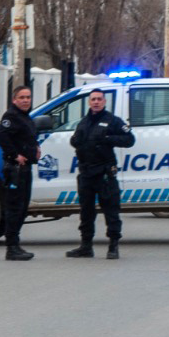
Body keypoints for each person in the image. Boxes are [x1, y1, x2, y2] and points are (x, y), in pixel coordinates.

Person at [66, 89, 135, 260]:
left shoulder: (112, 121)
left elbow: (129, 140)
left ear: (104, 102)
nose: (96, 102)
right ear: (89, 102)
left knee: (111, 210)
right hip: (86, 173)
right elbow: (76, 140)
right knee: (86, 211)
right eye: (93, 99)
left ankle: (113, 246)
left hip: (104, 173)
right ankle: (86, 246)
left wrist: (109, 139)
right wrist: (75, 141)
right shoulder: (84, 122)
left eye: (99, 99)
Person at [0, 84, 40, 261]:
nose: (25, 100)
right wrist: (15, 155)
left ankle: (16, 245)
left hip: (25, 169)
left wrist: (35, 147)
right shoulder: (11, 116)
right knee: (14, 208)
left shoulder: (25, 117)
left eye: (28, 97)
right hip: (15, 169)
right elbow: (2, 136)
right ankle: (11, 247)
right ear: (14, 100)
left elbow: (26, 137)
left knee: (22, 208)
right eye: (22, 97)